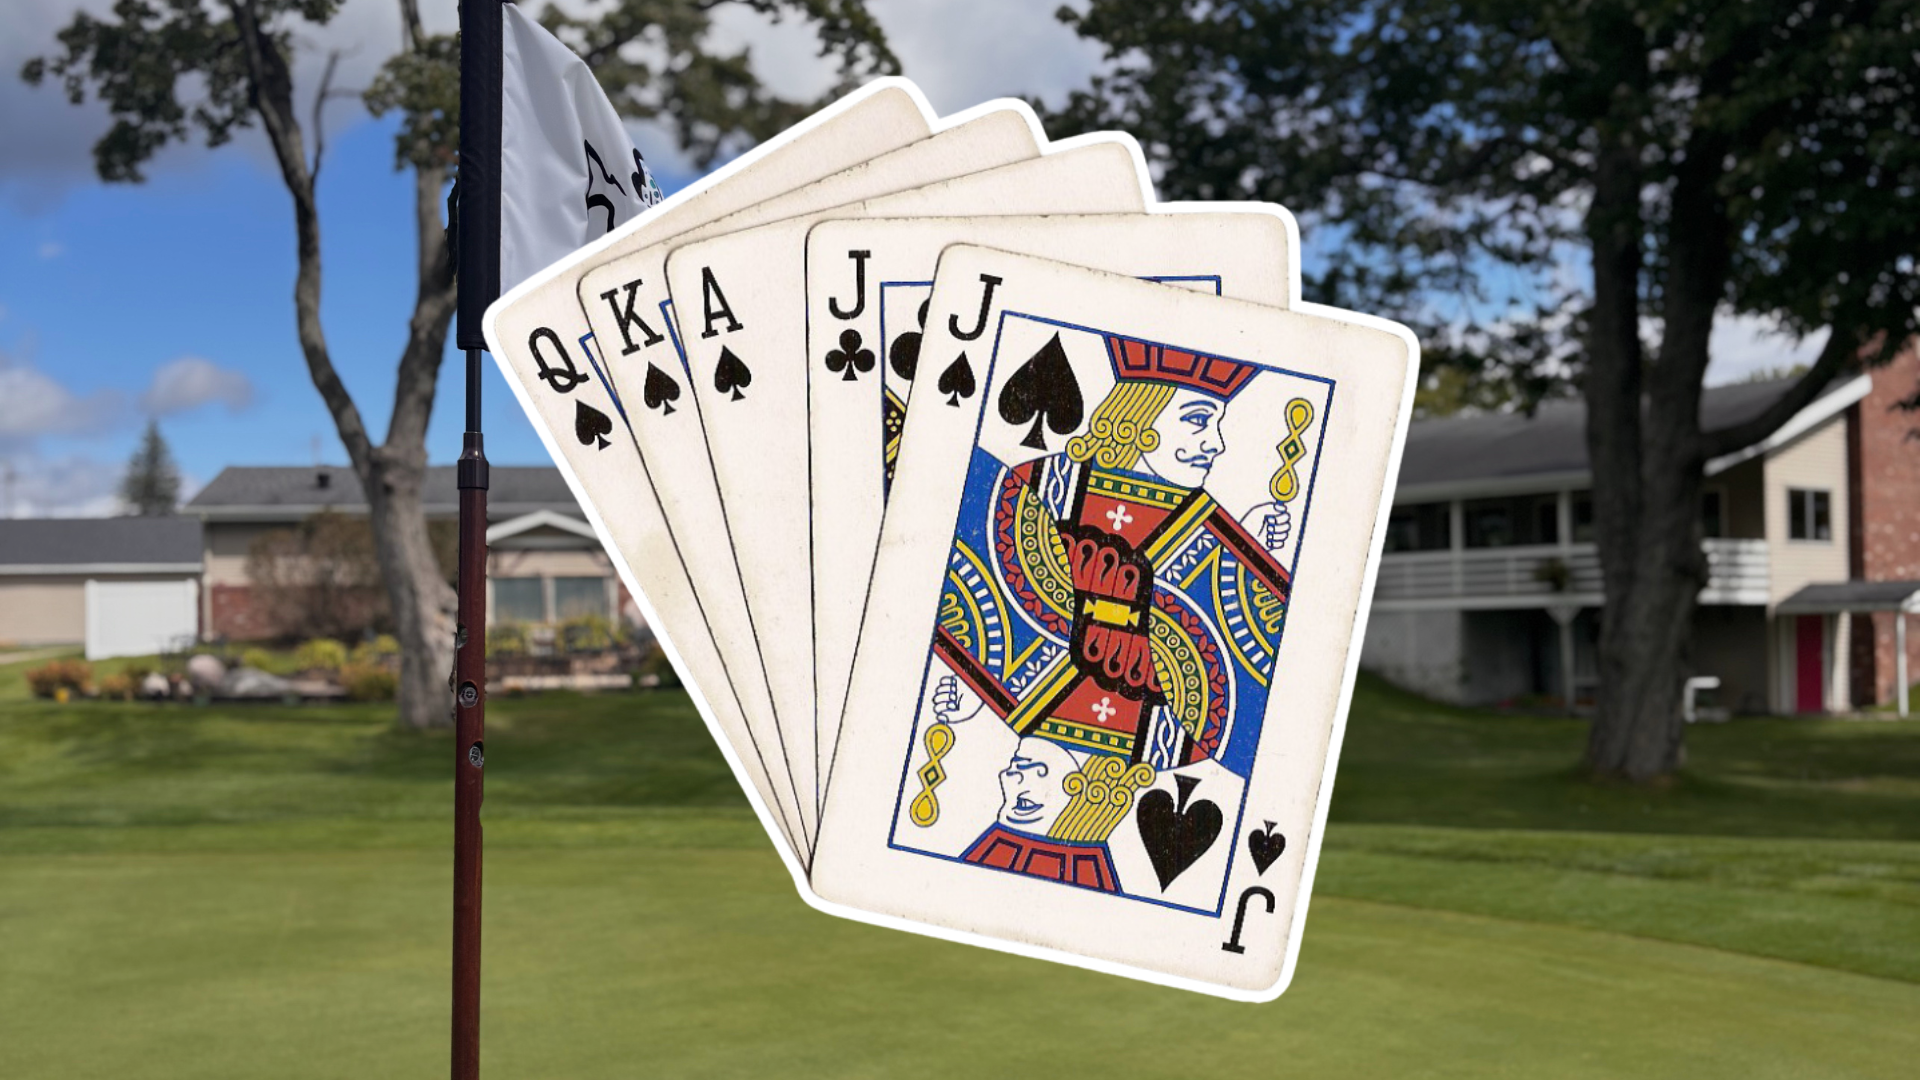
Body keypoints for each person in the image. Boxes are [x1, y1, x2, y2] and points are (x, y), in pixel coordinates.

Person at [918, 333, 1299, 894]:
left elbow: (1253, 700)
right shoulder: (1037, 489)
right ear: (1140, 418)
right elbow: (964, 564)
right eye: (1197, 421)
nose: (1215, 444)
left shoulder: (1221, 561)